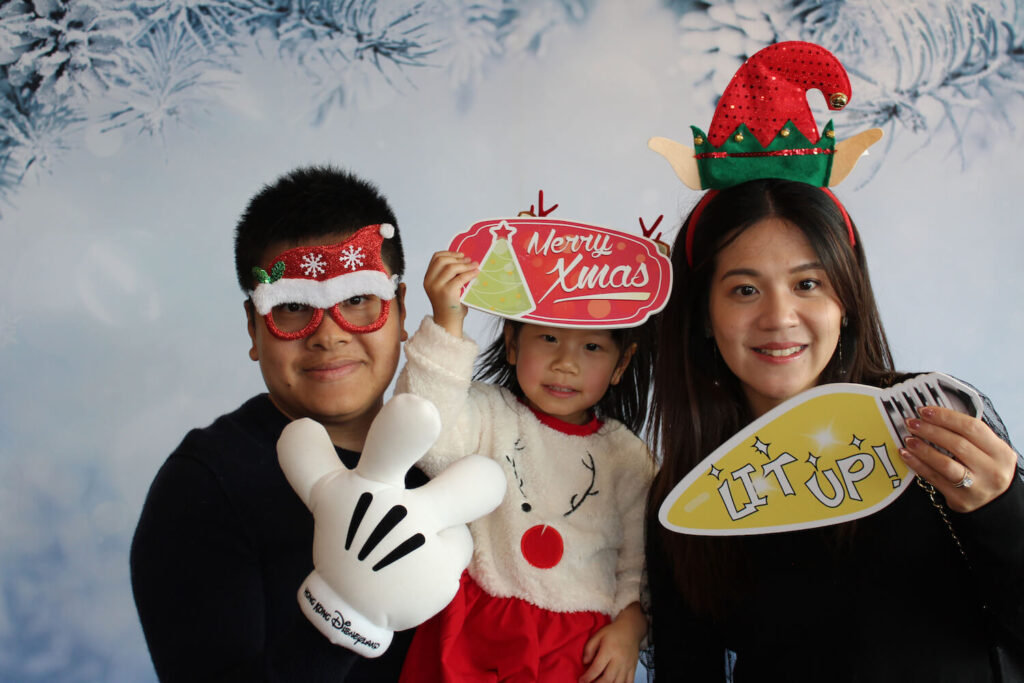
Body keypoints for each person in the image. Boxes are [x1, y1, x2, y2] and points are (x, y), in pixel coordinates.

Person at [643, 177, 1024, 681]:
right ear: (704, 317)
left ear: (845, 302)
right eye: (745, 290)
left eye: (808, 284)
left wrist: (1000, 509)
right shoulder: (690, 499)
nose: (779, 317)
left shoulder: (929, 421)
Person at [130, 165, 423, 681]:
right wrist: (344, 613)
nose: (329, 336)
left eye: (356, 300)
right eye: (292, 307)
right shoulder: (204, 486)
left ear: (399, 310)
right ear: (252, 327)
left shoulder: (455, 447)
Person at [394, 249, 656, 683]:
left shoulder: (628, 458)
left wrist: (632, 626)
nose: (565, 363)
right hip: (473, 636)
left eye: (591, 347)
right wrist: (448, 321)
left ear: (620, 364)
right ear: (514, 343)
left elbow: (639, 562)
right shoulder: (485, 413)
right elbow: (424, 431)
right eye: (548, 338)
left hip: (577, 649)